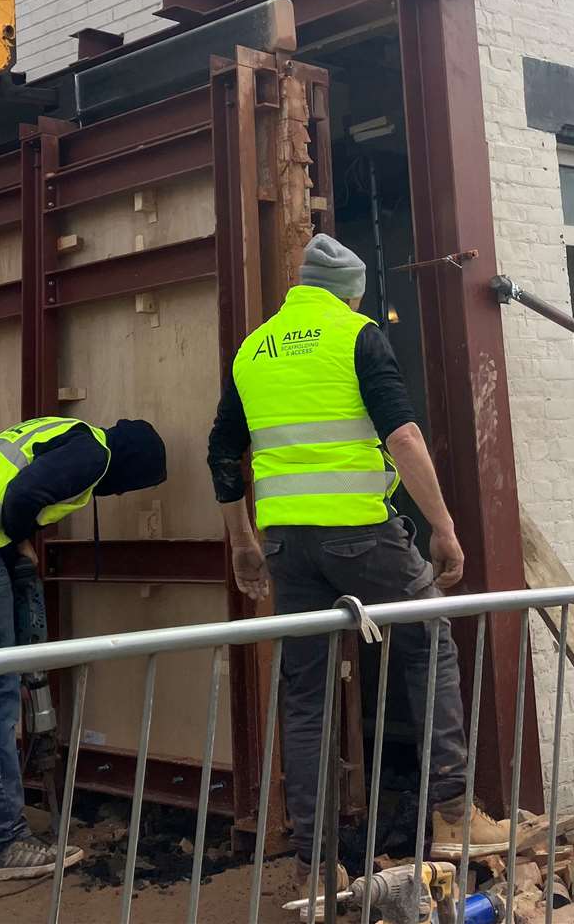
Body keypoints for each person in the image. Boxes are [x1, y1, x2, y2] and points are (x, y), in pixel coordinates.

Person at [207, 234, 509, 917]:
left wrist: (243, 544)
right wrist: (442, 525)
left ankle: (316, 864)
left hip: (287, 546)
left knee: (305, 693)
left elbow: (224, 451)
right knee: (428, 634)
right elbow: (402, 436)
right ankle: (453, 811)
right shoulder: (357, 334)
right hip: (360, 536)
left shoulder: (254, 350)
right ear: (351, 291)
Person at [0, 414, 167, 881]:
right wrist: (20, 547)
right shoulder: (95, 453)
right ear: (130, 465)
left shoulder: (68, 432)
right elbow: (24, 497)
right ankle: (5, 844)